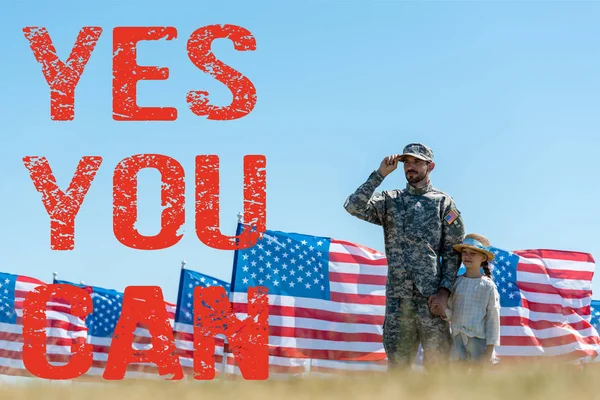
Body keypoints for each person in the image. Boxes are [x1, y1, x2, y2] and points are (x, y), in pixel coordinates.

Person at [343, 143, 465, 369]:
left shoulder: (443, 203)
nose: (410, 167)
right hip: (398, 301)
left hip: (431, 301)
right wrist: (379, 175)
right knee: (398, 368)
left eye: (417, 162)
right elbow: (353, 206)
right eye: (407, 162)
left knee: (439, 368)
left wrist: (444, 292)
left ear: (430, 166)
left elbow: (453, 251)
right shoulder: (390, 200)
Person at [432, 233, 501, 365]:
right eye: (465, 252)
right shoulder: (456, 282)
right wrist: (441, 311)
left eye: (473, 253)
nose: (467, 256)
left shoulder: (488, 286)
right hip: (457, 342)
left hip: (479, 343)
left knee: (477, 382)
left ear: (483, 258)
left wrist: (489, 351)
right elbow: (451, 312)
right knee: (458, 380)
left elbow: (493, 319)